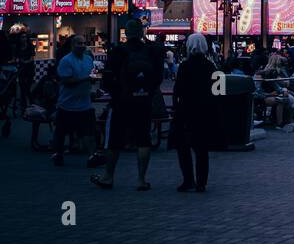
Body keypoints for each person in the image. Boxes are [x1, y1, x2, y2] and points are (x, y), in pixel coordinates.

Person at [91, 19, 164, 191]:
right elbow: (158, 77)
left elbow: (108, 78)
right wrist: (148, 92)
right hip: (143, 101)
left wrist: (116, 94)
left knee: (114, 140)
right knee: (143, 140)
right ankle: (141, 179)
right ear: (141, 32)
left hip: (121, 102)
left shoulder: (118, 51)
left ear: (127, 33)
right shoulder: (151, 51)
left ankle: (108, 176)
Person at [170, 32, 217, 192]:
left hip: (186, 110)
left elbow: (178, 90)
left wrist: (176, 107)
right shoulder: (211, 66)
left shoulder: (184, 66)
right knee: (201, 149)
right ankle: (201, 182)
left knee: (183, 148)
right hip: (204, 112)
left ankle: (188, 179)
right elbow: (220, 91)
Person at [52, 36, 96, 166]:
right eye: (79, 43)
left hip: (85, 103)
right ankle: (58, 154)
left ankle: (92, 156)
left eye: (84, 43)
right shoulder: (66, 61)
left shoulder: (88, 59)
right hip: (67, 104)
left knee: (89, 132)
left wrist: (92, 84)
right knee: (61, 132)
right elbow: (66, 81)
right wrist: (86, 79)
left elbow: (91, 75)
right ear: (72, 45)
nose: (82, 45)